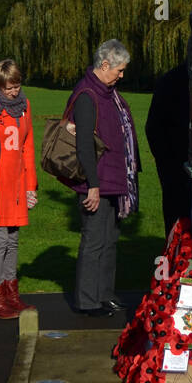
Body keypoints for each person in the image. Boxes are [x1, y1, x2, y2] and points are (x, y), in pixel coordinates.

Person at [66, 41, 140, 318]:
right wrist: (92, 186)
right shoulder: (87, 95)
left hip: (114, 180)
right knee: (94, 241)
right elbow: (84, 144)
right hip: (96, 181)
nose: (122, 75)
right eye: (119, 70)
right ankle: (87, 300)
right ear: (105, 64)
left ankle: (105, 294)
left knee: (109, 240)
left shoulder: (109, 94)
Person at [0, 59, 37, 319]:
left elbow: (27, 147)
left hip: (17, 184)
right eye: (8, 88)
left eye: (16, 86)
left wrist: (31, 186)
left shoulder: (24, 106)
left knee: (13, 239)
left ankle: (11, 293)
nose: (13, 92)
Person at [145, 62, 191, 241]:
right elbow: (154, 128)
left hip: (175, 164)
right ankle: (175, 260)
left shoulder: (170, 79)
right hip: (175, 166)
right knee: (177, 220)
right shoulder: (172, 80)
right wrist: (167, 163)